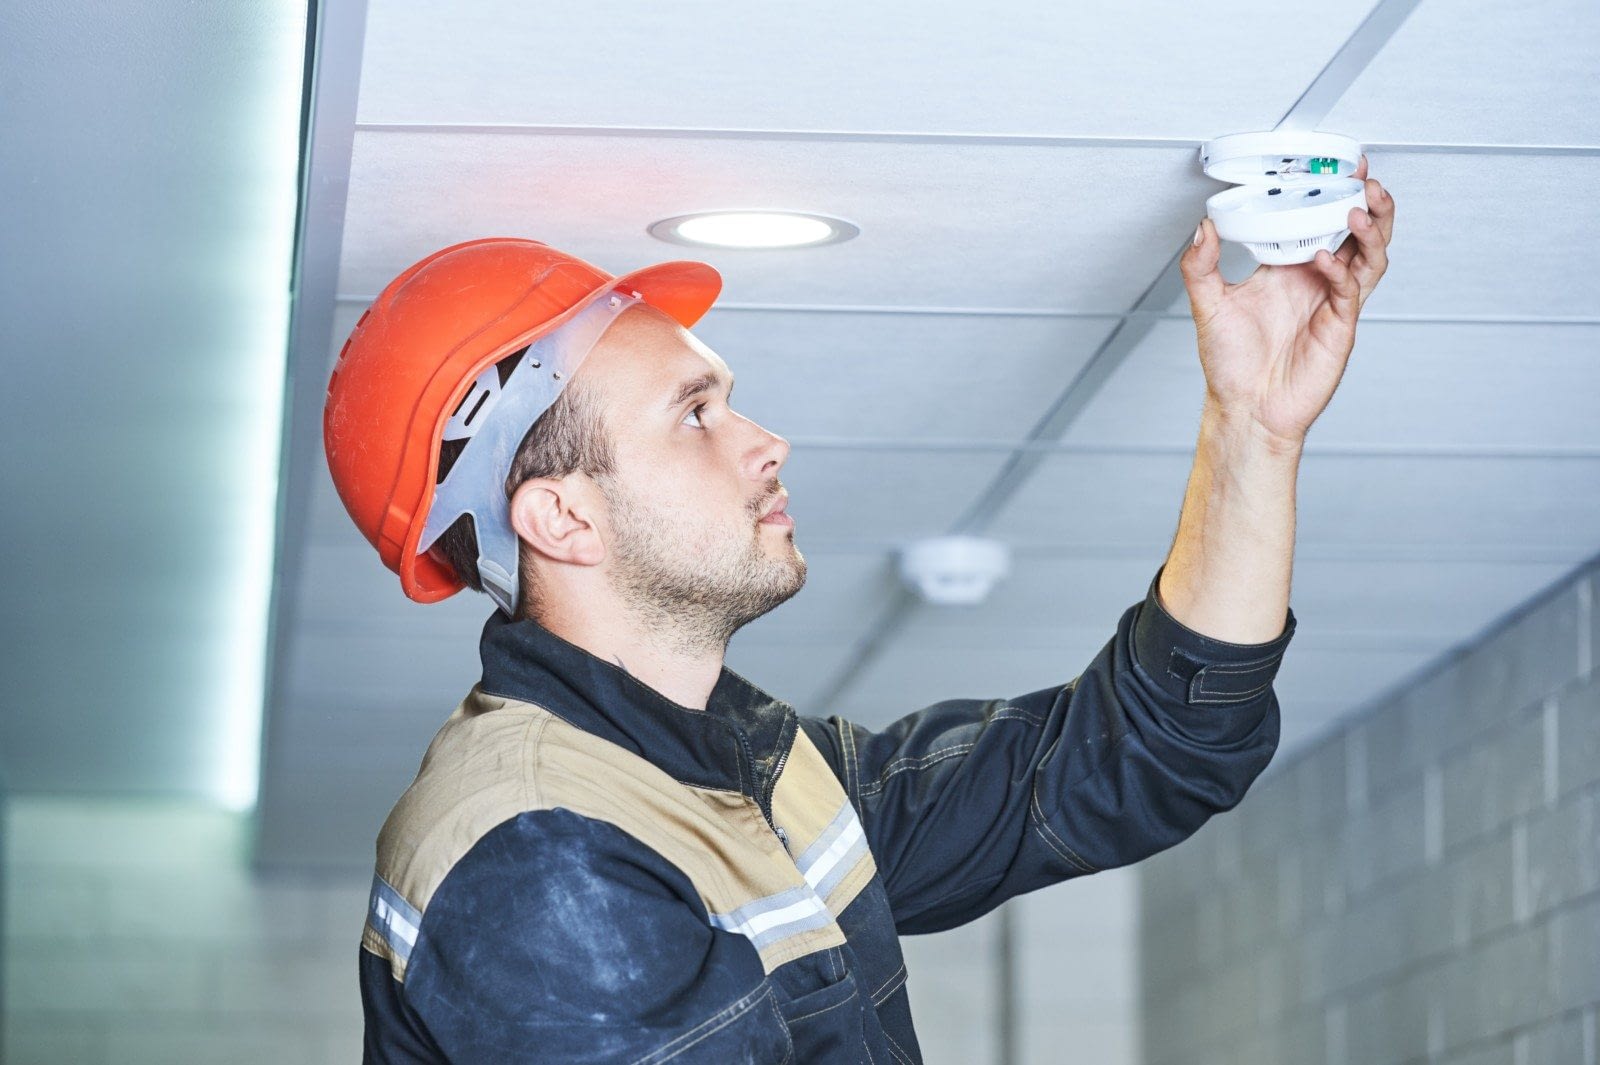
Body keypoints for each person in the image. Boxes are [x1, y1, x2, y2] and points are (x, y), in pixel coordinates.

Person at [327, 162, 1394, 1063]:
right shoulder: (536, 855)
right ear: (562, 518)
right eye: (694, 415)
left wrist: (1255, 428)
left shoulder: (748, 770)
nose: (762, 441)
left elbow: (1147, 754)